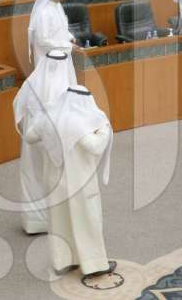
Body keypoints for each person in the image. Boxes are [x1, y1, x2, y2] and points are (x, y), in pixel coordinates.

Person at [23, 85, 115, 278]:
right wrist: (104, 130)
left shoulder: (49, 118)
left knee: (60, 221)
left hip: (54, 182)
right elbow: (96, 147)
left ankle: (63, 261)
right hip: (79, 183)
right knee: (87, 221)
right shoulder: (80, 124)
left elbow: (30, 137)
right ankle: (94, 265)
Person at [13, 49, 76, 235]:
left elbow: (18, 106)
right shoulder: (66, 87)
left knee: (32, 175)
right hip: (53, 142)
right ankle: (54, 222)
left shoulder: (31, 82)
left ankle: (34, 222)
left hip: (31, 139)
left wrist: (26, 128)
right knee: (52, 178)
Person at [28, 0, 77, 71]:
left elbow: (60, 27)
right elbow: (43, 40)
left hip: (63, 54)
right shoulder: (43, 13)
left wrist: (70, 37)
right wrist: (67, 46)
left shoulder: (57, 5)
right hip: (49, 61)